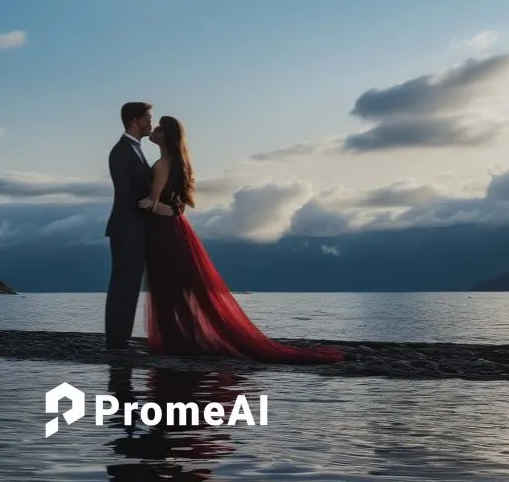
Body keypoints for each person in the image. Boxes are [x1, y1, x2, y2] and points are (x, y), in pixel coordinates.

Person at [138, 115, 344, 364]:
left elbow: (154, 202)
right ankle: (185, 339)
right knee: (179, 286)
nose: (155, 130)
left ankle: (177, 341)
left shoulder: (162, 164)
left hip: (165, 231)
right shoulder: (180, 163)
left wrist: (148, 204)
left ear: (166, 137)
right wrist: (171, 210)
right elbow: (176, 203)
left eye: (159, 128)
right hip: (177, 228)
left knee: (167, 285)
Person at [105, 101, 154, 350]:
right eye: (147, 117)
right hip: (126, 228)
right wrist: (152, 205)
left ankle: (120, 337)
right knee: (123, 284)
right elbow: (125, 192)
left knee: (130, 283)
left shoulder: (135, 148)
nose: (150, 122)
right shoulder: (121, 151)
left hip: (134, 227)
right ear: (135, 121)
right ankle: (116, 340)